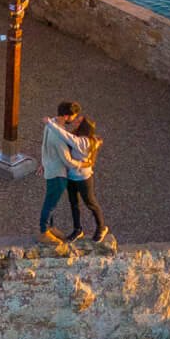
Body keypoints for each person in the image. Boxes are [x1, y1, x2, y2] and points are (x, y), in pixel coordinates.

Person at [38, 101, 89, 246]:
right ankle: (43, 231)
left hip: (50, 168)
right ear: (67, 116)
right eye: (74, 116)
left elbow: (43, 145)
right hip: (58, 172)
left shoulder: (51, 123)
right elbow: (67, 160)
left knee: (51, 200)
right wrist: (83, 164)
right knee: (51, 203)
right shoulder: (59, 135)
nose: (74, 119)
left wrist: (43, 162)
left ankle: (50, 227)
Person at [66, 115, 111, 244]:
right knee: (73, 203)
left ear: (84, 125)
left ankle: (101, 227)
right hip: (71, 176)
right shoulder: (77, 136)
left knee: (90, 203)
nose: (75, 122)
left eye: (79, 121)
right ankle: (77, 229)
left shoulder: (83, 141)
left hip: (83, 178)